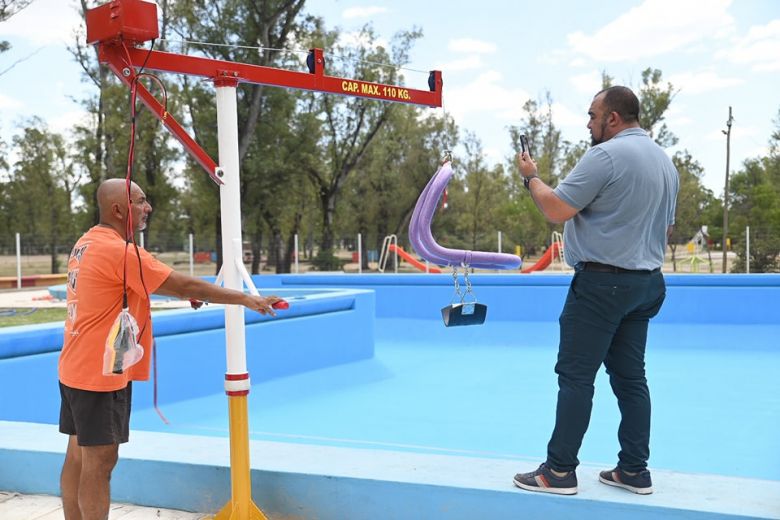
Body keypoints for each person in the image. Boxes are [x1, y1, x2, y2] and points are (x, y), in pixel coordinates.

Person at [58, 178, 284, 519]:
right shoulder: (120, 250)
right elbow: (184, 284)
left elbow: (127, 285)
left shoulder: (87, 242)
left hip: (75, 366)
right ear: (119, 209)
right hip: (100, 375)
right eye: (141, 201)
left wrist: (181, 290)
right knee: (100, 462)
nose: (148, 207)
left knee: (77, 454)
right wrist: (246, 299)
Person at [512, 86, 679, 496]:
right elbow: (667, 228)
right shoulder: (665, 163)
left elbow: (555, 208)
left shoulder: (605, 155)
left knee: (576, 376)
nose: (588, 123)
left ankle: (558, 472)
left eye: (592, 115)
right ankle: (634, 470)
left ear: (614, 119)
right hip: (647, 284)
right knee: (631, 378)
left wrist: (531, 176)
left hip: (603, 284)